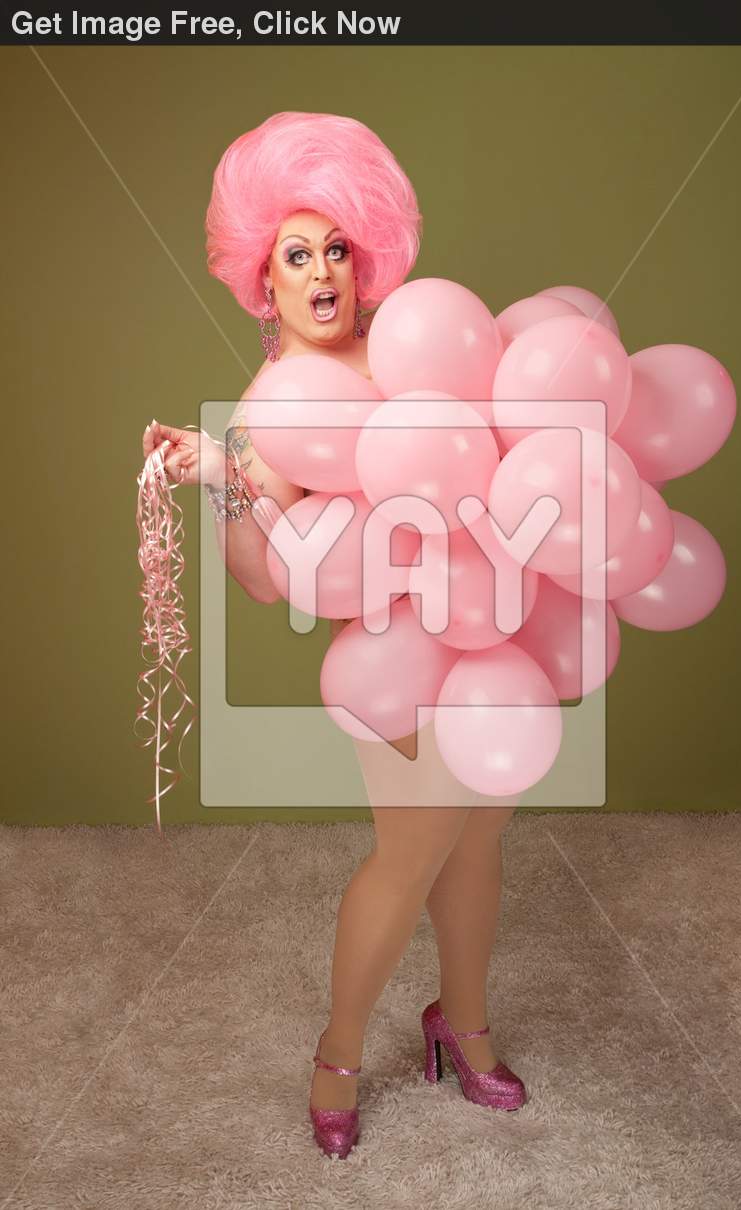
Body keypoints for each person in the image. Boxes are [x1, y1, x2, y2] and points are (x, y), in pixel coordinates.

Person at [141, 111, 526, 1161]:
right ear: (262, 282)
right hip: (392, 651)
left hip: (484, 621)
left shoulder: (413, 339)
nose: (322, 272)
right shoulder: (265, 411)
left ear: (367, 256)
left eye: (337, 248)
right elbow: (263, 582)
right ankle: (338, 1053)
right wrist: (223, 481)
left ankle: (462, 1022)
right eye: (296, 255)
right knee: (411, 851)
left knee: (479, 834)